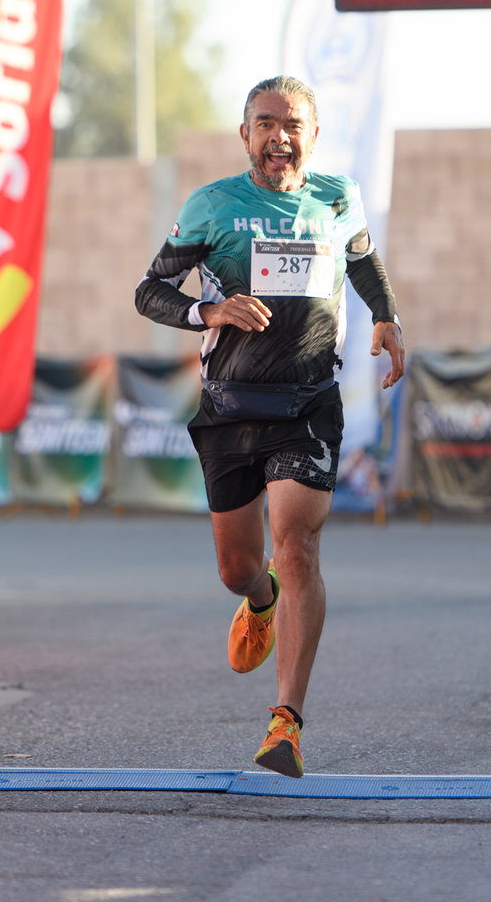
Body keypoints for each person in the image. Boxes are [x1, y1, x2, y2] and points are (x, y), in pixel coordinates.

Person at [135, 75, 404, 777]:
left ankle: (285, 722)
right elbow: (150, 291)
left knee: (300, 546)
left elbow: (363, 261)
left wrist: (386, 317)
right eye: (264, 123)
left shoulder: (337, 197)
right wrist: (209, 312)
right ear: (246, 134)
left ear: (312, 135)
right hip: (230, 405)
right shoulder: (213, 206)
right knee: (239, 568)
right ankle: (259, 600)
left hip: (308, 402)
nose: (278, 136)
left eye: (292, 124)